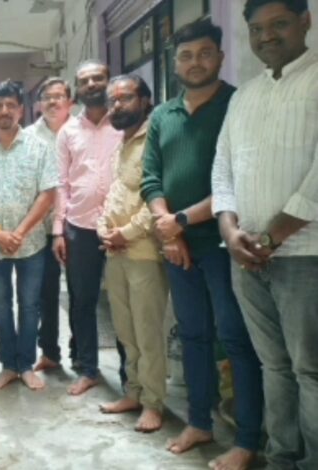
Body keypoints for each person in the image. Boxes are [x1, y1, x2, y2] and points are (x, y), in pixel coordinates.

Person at [141, 19, 263, 468]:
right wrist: (168, 230)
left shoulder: (237, 105)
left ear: (220, 57)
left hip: (224, 244)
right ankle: (199, 422)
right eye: (186, 56)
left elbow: (237, 179)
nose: (195, 63)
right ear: (174, 62)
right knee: (193, 335)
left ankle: (247, 439)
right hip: (179, 247)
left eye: (204, 54)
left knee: (235, 339)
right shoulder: (162, 115)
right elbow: (151, 178)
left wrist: (178, 222)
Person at [212, 1, 318, 468]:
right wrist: (230, 228)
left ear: (305, 21)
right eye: (257, 29)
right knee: (273, 365)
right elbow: (223, 168)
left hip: (305, 255)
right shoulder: (244, 96)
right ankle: (282, 457)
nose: (266, 36)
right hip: (245, 256)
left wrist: (271, 238)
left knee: (310, 370)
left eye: (279, 24)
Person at [0, 80, 58, 391]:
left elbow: (48, 194)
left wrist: (19, 232)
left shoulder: (40, 148)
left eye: (11, 105)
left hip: (31, 244)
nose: (5, 110)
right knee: (0, 306)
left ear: (21, 110)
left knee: (30, 305)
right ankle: (8, 365)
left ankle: (26, 365)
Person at [96, 75, 168, 434]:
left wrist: (125, 233)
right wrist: (103, 229)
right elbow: (115, 194)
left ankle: (154, 403)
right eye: (112, 100)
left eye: (125, 98)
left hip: (144, 252)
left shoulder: (155, 137)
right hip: (116, 253)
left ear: (145, 100)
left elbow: (157, 196)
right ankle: (134, 392)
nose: (116, 105)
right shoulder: (122, 142)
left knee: (147, 332)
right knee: (125, 331)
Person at [54, 60, 124, 396]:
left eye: (99, 78)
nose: (92, 84)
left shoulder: (124, 124)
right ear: (77, 90)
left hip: (122, 228)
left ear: (109, 82)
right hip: (79, 228)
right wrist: (58, 230)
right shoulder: (68, 132)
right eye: (85, 80)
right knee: (82, 301)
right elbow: (61, 183)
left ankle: (131, 374)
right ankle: (87, 368)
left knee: (124, 303)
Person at [24, 78, 73, 372]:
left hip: (77, 226)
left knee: (80, 294)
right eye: (47, 97)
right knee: (45, 293)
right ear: (39, 104)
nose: (53, 102)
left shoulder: (80, 131)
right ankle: (50, 352)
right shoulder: (29, 137)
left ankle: (81, 354)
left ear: (70, 102)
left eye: (59, 96)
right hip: (41, 230)